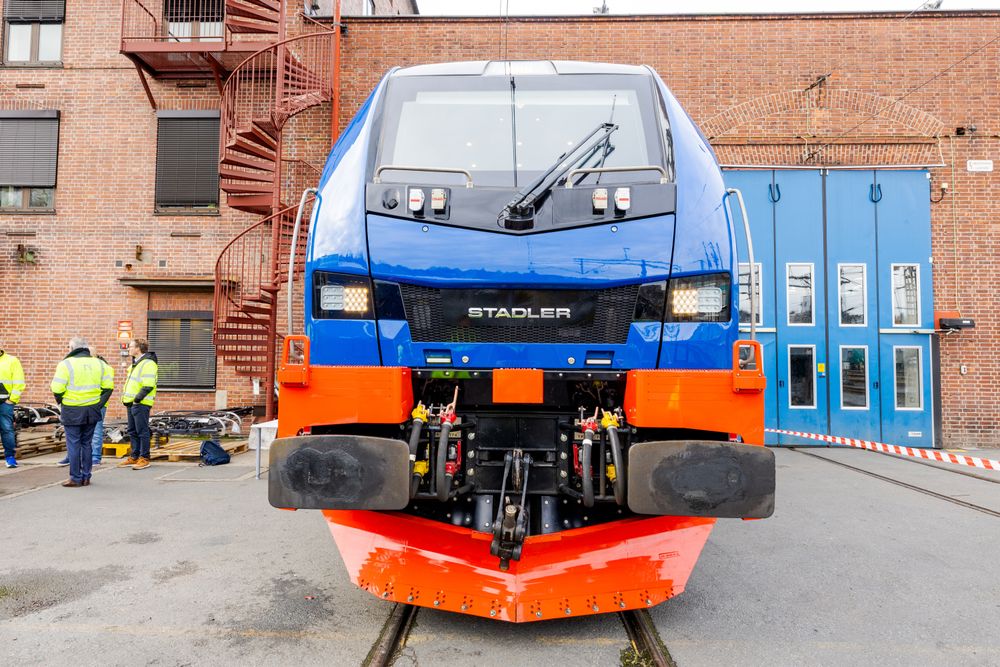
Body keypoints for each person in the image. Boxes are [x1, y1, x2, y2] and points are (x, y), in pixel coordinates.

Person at [51, 337, 114, 487]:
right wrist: (98, 404)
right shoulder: (100, 363)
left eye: (68, 347)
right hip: (92, 409)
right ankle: (86, 476)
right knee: (87, 443)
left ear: (72, 348)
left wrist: (61, 401)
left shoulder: (65, 364)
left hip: (72, 409)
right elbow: (108, 387)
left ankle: (75, 478)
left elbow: (57, 388)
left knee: (73, 444)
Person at [119, 338, 158, 471]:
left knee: (142, 431)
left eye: (131, 346)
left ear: (138, 348)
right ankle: (134, 456)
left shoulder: (148, 363)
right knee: (133, 431)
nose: (128, 349)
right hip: (132, 403)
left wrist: (137, 399)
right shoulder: (136, 363)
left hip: (140, 403)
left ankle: (144, 458)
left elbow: (148, 385)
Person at [0, 347, 26, 468]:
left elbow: (19, 382)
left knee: (6, 429)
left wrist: (12, 400)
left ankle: (10, 457)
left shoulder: (12, 361)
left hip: (5, 403)